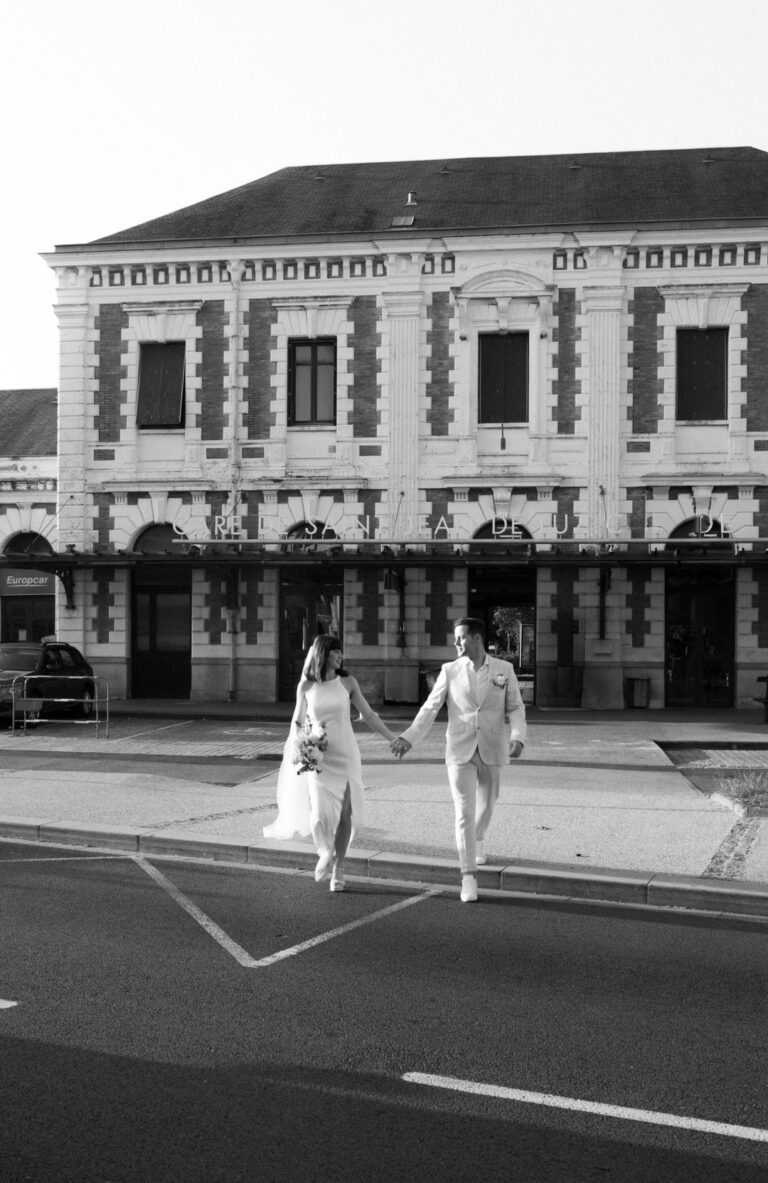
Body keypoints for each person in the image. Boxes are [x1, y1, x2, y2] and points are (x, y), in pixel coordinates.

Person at [391, 617, 526, 903]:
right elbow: (430, 708)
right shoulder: (449, 670)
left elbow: (515, 707)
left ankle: (477, 840)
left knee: (488, 805)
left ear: (476, 639)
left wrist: (518, 737)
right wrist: (409, 737)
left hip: (492, 747)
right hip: (459, 751)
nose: (455, 643)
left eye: (460, 638)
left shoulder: (504, 669)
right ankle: (468, 877)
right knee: (463, 812)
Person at [264, 635, 397, 892]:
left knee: (345, 815)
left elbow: (367, 714)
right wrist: (304, 746)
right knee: (318, 816)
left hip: (345, 754)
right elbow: (297, 722)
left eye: (341, 652)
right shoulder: (306, 687)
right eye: (336, 652)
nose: (340, 656)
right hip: (319, 756)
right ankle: (324, 851)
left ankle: (339, 868)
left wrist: (392, 738)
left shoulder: (347, 683)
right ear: (323, 654)